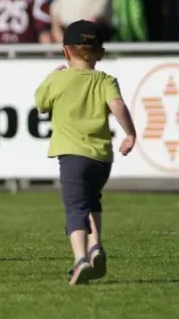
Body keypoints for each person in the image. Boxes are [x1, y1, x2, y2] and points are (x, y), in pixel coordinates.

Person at [34, 20, 136, 285]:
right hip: (102, 158)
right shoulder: (105, 80)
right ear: (99, 53)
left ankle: (80, 259)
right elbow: (118, 106)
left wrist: (51, 76)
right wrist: (130, 134)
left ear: (65, 51)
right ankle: (96, 246)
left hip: (72, 155)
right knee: (93, 200)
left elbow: (41, 104)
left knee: (75, 207)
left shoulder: (59, 78)